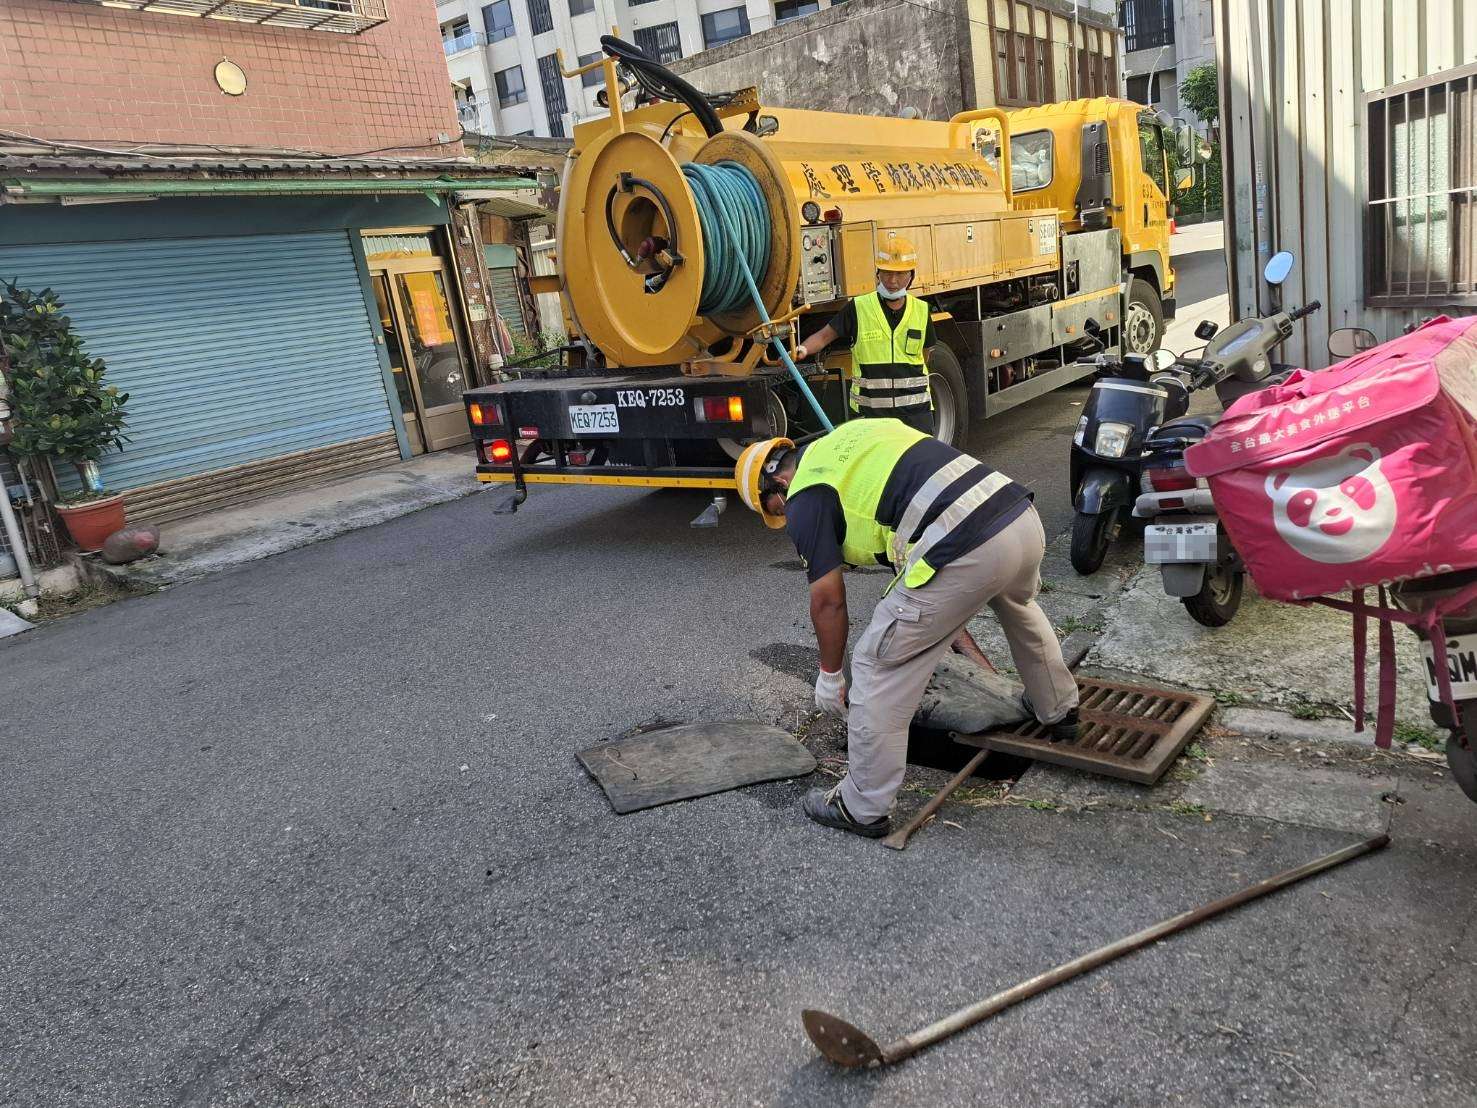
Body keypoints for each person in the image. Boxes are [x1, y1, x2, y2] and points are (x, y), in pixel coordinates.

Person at [734, 419, 1080, 838]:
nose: (785, 518)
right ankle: (1059, 709)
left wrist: (829, 676)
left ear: (778, 483)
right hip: (1017, 516)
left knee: (876, 667)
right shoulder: (849, 439)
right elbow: (907, 503)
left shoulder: (805, 495)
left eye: (775, 509)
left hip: (963, 544)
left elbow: (828, 599)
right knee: (1018, 605)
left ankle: (861, 805)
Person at [794, 234, 936, 435]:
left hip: (916, 416)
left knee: (917, 466)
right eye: (886, 273)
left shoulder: (922, 311)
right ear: (877, 273)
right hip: (871, 416)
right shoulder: (859, 308)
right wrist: (802, 349)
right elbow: (824, 336)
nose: (892, 281)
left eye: (900, 274)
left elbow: (926, 353)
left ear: (911, 276)